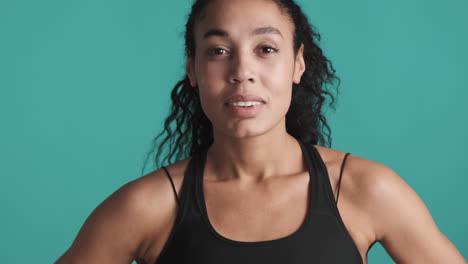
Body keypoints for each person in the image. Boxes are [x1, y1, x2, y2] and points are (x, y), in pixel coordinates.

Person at [55, 0, 467, 263]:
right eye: (218, 51)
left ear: (298, 64)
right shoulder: (146, 206)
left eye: (265, 49)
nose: (242, 73)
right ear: (192, 69)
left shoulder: (365, 189)